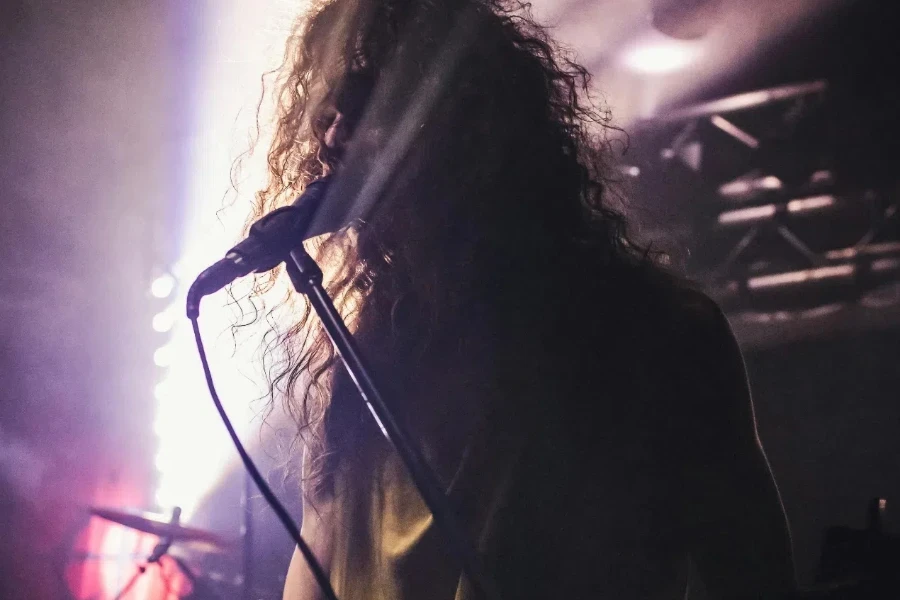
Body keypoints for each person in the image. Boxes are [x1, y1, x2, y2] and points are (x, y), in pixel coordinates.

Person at [243, 0, 795, 598]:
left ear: (464, 120)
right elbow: (314, 572)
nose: (331, 135)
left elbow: (751, 574)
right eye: (328, 109)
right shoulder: (356, 361)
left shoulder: (655, 334)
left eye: (364, 101)